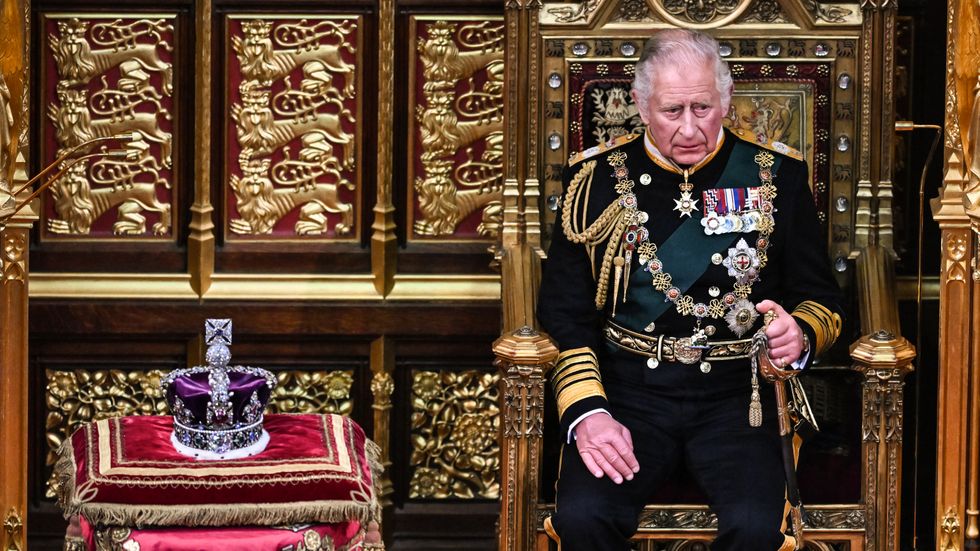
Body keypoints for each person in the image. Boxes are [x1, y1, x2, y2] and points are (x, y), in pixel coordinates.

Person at [537, 28, 844, 551]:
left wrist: (800, 333)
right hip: (627, 393)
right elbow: (565, 314)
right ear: (640, 104)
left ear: (725, 101)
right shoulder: (595, 182)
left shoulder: (779, 177)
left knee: (755, 527)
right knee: (584, 518)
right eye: (670, 111)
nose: (687, 129)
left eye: (702, 108)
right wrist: (589, 413)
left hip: (738, 398)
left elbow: (822, 299)